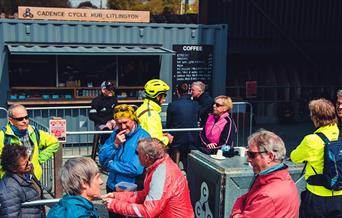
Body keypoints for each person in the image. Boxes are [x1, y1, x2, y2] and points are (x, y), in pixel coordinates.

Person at [102, 137, 194, 218]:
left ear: (146, 157)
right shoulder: (159, 165)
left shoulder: (161, 174)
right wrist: (116, 196)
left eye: (137, 153)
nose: (135, 155)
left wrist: (114, 204)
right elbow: (145, 195)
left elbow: (148, 212)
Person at [290, 98, 342, 217]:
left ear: (315, 118)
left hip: (317, 196)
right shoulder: (339, 134)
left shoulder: (311, 140)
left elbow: (294, 157)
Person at [231, 130, 299, 218]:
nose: (248, 159)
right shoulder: (278, 178)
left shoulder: (268, 194)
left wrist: (236, 214)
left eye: (251, 154)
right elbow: (248, 198)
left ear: (270, 156)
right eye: (247, 153)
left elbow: (245, 200)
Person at [99, 104, 150, 218]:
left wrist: (110, 164)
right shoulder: (115, 134)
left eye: (126, 122)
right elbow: (102, 158)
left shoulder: (143, 137)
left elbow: (135, 169)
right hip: (112, 187)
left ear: (133, 119)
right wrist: (115, 144)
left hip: (131, 189)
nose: (122, 126)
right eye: (118, 123)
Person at [0, 104, 59, 180]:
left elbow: (54, 142)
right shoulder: (3, 135)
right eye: (20, 119)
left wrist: (39, 159)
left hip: (32, 179)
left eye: (26, 117)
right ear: (11, 120)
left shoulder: (34, 132)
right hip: (11, 181)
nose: (25, 121)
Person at [0, 144, 45, 217]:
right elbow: (10, 215)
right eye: (25, 163)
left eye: (29, 159)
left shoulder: (25, 174)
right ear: (13, 168)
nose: (30, 163)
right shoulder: (10, 188)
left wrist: (31, 173)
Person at [166, 82, 199, 170]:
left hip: (177, 139)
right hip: (192, 138)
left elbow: (169, 123)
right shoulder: (195, 104)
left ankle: (175, 170)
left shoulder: (172, 105)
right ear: (188, 91)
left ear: (177, 91)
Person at [136, 79, 173, 146]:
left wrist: (162, 135)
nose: (164, 100)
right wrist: (167, 139)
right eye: (164, 95)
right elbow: (154, 143)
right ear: (158, 97)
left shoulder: (142, 108)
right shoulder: (151, 115)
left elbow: (148, 132)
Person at [89, 81, 117, 159]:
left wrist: (114, 121)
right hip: (100, 124)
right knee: (106, 131)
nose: (111, 91)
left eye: (112, 89)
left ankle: (118, 155)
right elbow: (92, 116)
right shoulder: (96, 101)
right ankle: (103, 154)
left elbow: (116, 113)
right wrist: (106, 122)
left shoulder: (114, 100)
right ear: (103, 90)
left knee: (123, 130)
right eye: (109, 89)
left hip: (113, 123)